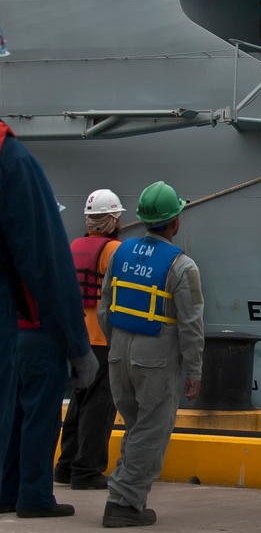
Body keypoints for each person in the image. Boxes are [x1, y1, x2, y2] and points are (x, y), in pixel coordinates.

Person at [0, 120, 98, 518]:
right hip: (41, 335)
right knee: (40, 418)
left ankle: (9, 491)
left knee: (19, 416)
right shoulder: (13, 163)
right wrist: (78, 347)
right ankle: (35, 496)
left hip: (21, 339)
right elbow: (48, 271)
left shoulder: (79, 245)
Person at [98, 181, 204, 527]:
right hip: (155, 358)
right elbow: (190, 325)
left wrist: (116, 345)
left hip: (119, 352)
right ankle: (123, 503)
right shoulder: (182, 266)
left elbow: (104, 309)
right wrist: (194, 370)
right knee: (152, 430)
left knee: (135, 426)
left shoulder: (121, 253)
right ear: (175, 222)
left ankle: (127, 496)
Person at [54, 190, 127, 491]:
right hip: (102, 338)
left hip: (76, 337)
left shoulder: (74, 245)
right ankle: (87, 470)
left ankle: (65, 466)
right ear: (112, 220)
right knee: (100, 406)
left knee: (77, 404)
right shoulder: (113, 251)